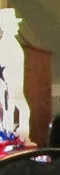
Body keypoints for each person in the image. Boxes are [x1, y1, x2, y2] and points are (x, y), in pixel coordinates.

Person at [0, 9, 29, 140]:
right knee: (16, 112)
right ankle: (15, 139)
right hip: (10, 86)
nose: (17, 27)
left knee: (19, 112)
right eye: (14, 24)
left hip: (16, 86)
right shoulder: (5, 44)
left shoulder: (12, 43)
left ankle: (19, 139)